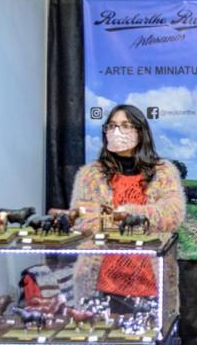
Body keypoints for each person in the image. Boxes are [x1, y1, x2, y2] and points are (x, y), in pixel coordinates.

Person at [70, 104, 185, 300]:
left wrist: (127, 213)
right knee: (104, 328)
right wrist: (118, 218)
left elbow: (173, 214)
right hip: (102, 280)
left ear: (140, 132)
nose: (117, 132)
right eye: (112, 126)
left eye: (125, 125)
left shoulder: (164, 171)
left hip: (150, 278)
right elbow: (81, 219)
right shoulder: (90, 174)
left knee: (147, 329)